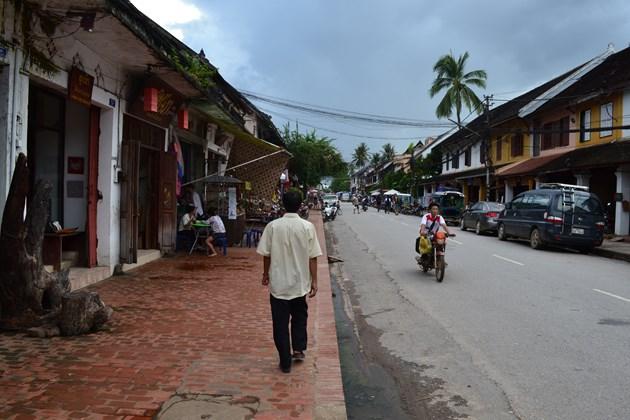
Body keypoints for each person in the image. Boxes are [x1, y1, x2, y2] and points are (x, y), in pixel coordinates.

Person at [257, 191, 322, 374]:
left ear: (284, 204)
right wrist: (314, 281)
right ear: (301, 204)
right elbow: (313, 258)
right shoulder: (307, 227)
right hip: (300, 283)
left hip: (278, 284)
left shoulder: (273, 226)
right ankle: (299, 349)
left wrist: (265, 274)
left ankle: (285, 360)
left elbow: (266, 254)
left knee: (280, 322)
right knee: (300, 317)